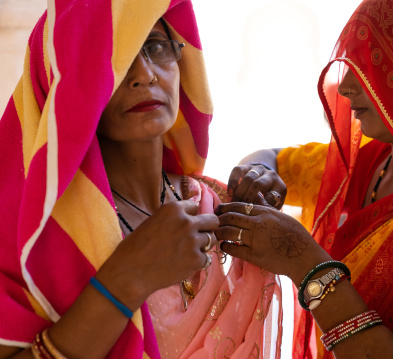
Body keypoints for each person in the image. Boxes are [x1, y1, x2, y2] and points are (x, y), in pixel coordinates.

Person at [219, 0, 393, 357]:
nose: (346, 87)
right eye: (352, 60)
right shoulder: (370, 163)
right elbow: (274, 158)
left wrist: (304, 263)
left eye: (373, 63)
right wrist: (259, 173)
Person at [0, 0, 282, 358]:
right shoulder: (36, 235)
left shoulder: (215, 203)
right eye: (112, 55)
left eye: (155, 47)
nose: (144, 74)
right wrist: (126, 279)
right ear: (64, 89)